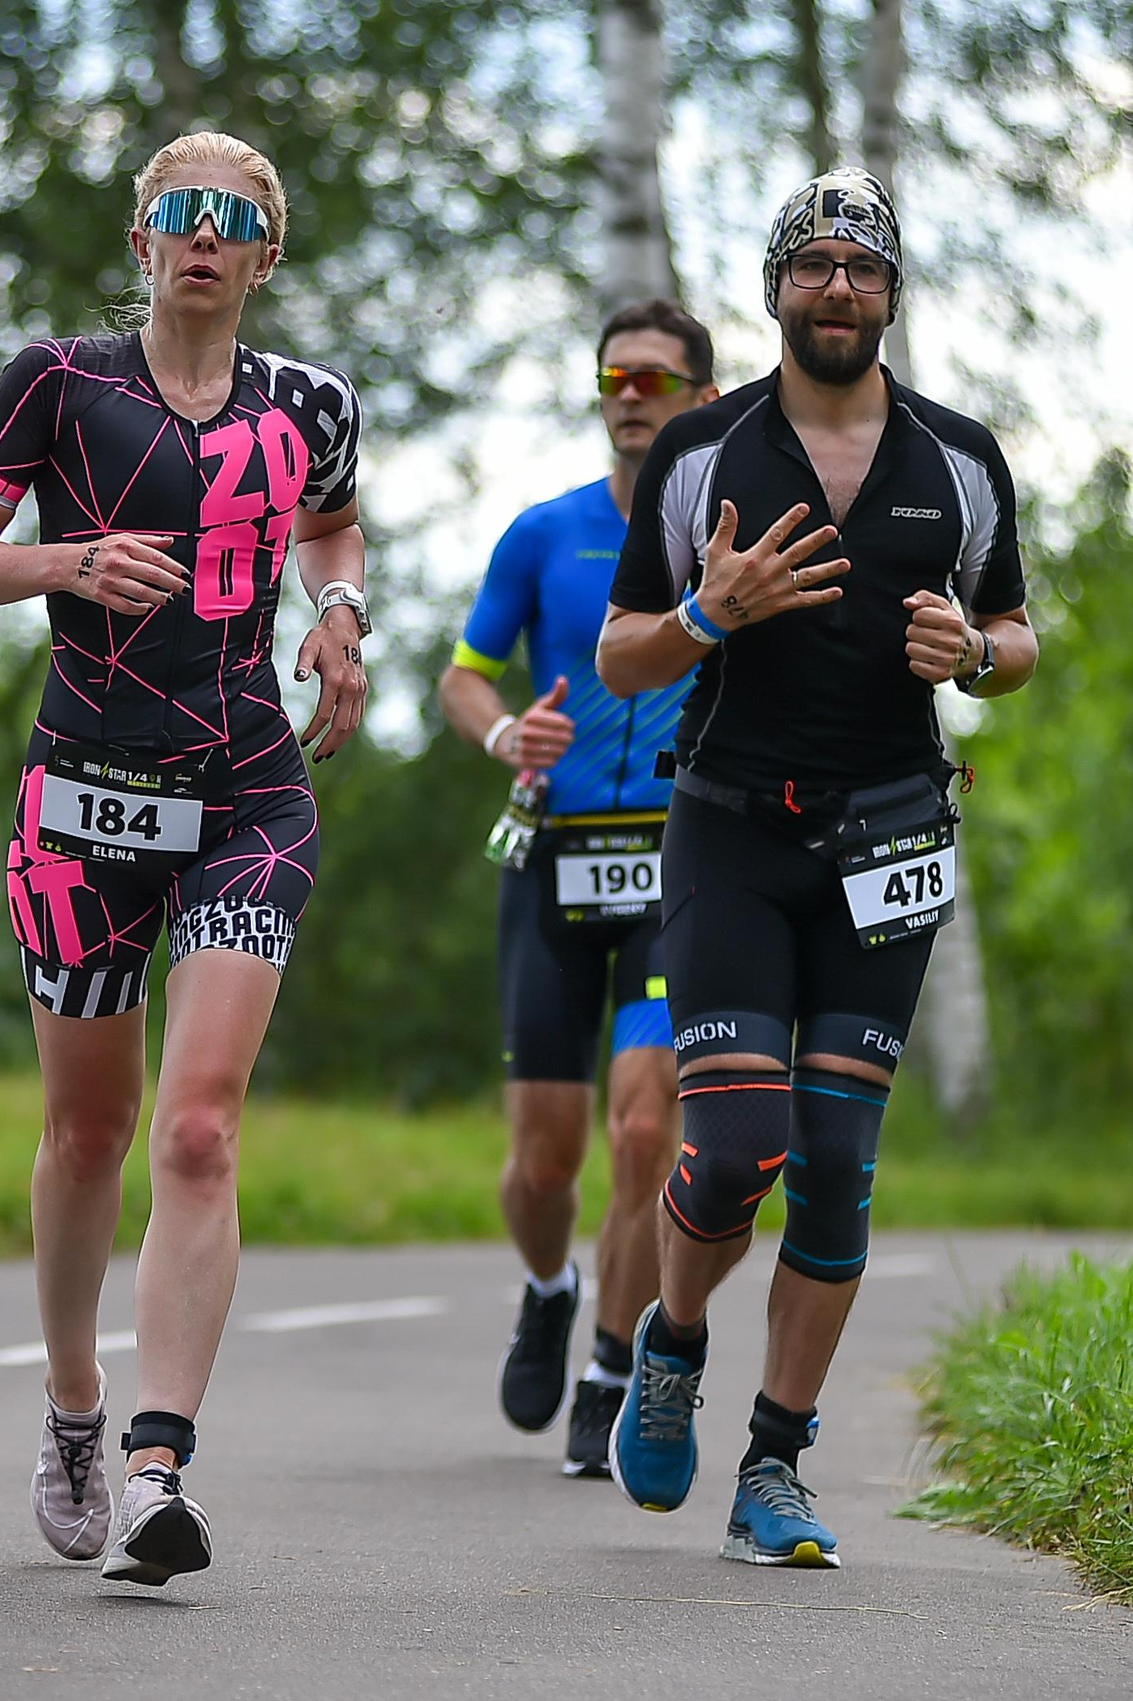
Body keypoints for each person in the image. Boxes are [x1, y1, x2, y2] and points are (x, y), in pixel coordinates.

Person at [0, 131, 367, 1587]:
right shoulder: (60, 382)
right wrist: (65, 563)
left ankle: (160, 1462)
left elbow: (334, 521)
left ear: (264, 256)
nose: (202, 235)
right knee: (90, 1134)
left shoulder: (309, 403)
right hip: (84, 799)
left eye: (232, 218)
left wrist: (340, 616)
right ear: (142, 242)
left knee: (197, 1129)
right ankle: (70, 1400)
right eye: (179, 212)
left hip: (248, 792)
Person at [594, 169, 1037, 1567]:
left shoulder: (960, 460)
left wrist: (972, 654)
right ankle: (670, 1347)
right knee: (735, 1148)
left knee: (836, 1167)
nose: (836, 285)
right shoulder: (702, 452)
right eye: (812, 265)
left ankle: (774, 1465)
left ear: (893, 294)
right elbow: (619, 659)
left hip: (890, 833)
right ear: (776, 289)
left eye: (862, 265)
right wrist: (704, 616)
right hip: (729, 828)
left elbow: (1018, 636)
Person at [437, 300, 718, 1478]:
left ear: (703, 397)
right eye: (615, 376)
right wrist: (505, 737)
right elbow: (463, 675)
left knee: (646, 1129)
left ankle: (611, 1364)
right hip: (554, 859)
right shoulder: (543, 533)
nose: (630, 394)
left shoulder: (730, 544)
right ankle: (549, 1288)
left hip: (680, 862)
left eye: (656, 379)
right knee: (546, 1158)